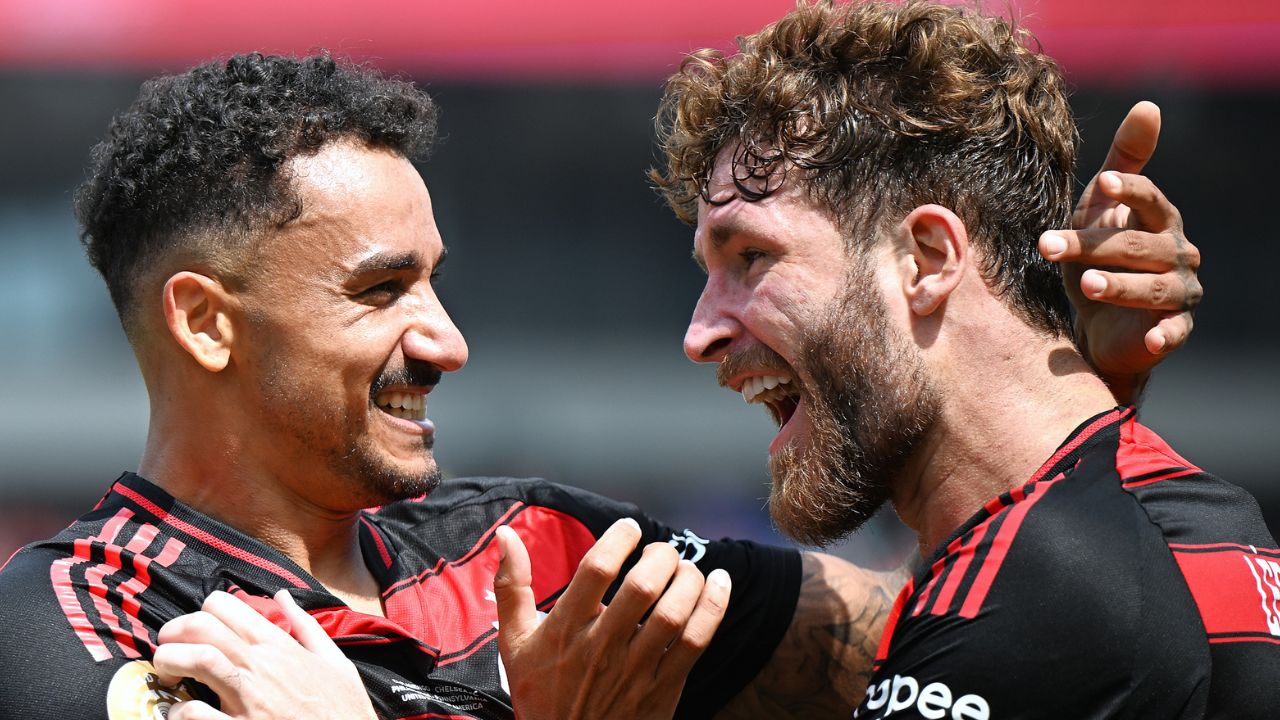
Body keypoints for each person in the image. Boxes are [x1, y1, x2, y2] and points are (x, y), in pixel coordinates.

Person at [0, 43, 1194, 720]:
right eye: (381, 291)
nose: (444, 341)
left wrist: (1071, 396)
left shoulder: (542, 554)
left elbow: (964, 644)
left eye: (434, 283)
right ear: (206, 324)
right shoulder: (83, 631)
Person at [656, 1, 1277, 718]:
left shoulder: (1031, 601)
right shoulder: (1197, 527)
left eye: (751, 256)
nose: (699, 334)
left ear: (927, 259)